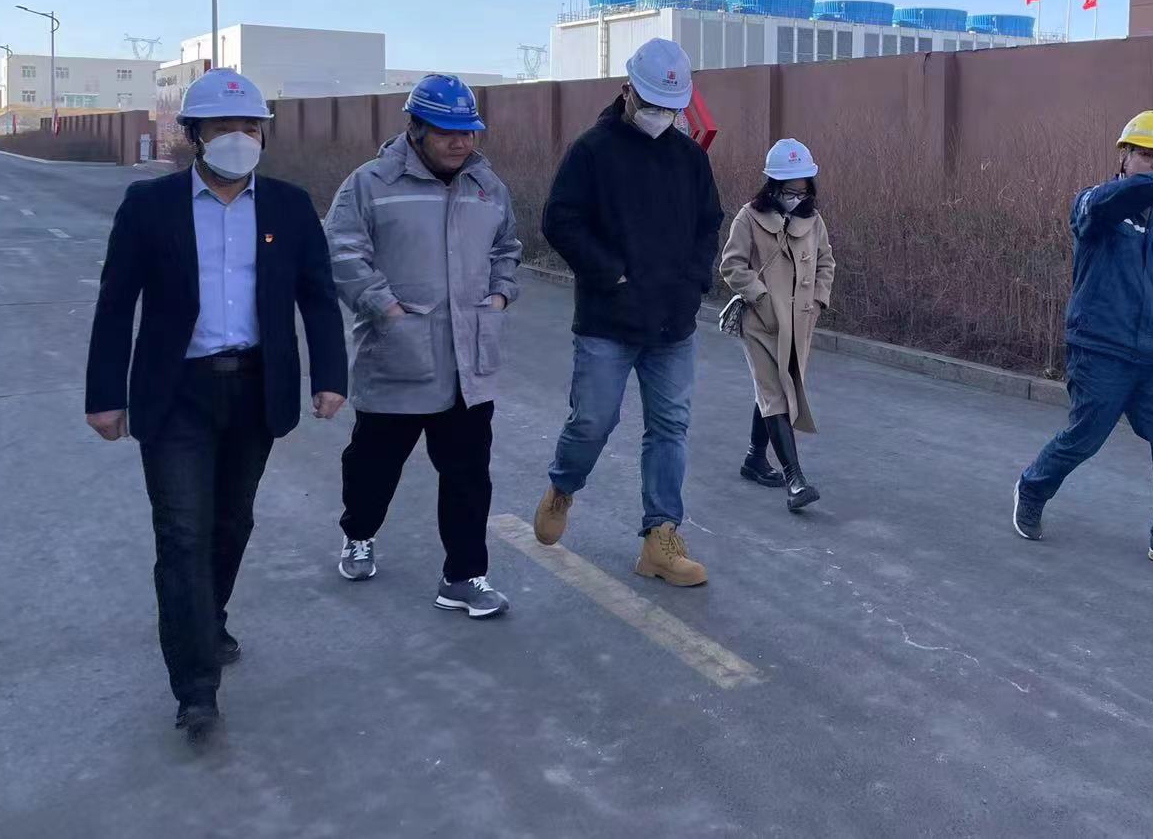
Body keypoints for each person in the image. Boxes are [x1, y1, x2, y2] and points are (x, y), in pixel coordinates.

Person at [84, 68, 348, 744]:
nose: (239, 136)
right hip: (176, 392)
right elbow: (116, 302)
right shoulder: (150, 207)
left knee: (231, 522)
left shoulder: (289, 206)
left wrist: (330, 375)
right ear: (194, 134)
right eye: (224, 125)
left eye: (250, 125)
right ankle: (196, 686)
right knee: (181, 534)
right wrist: (105, 394)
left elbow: (318, 296)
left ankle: (208, 617)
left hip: (255, 387)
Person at [326, 74, 522, 619]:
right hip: (398, 355)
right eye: (447, 132)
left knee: (468, 475)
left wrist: (500, 296)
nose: (461, 143)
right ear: (415, 129)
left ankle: (463, 576)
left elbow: (508, 247)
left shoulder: (487, 186)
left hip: (469, 363)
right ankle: (358, 533)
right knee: (373, 466)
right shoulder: (370, 184)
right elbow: (342, 252)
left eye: (469, 131)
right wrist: (385, 308)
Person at [532, 38, 723, 586]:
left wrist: (693, 281)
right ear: (627, 92)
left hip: (673, 323)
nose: (661, 115)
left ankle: (660, 538)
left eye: (670, 108)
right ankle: (563, 486)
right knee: (593, 420)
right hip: (608, 322)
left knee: (670, 427)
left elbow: (709, 222)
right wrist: (611, 273)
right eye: (653, 104)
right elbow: (560, 220)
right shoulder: (592, 151)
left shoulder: (689, 158)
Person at [1012, 110, 1153, 576]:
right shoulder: (1096, 206)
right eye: (1148, 155)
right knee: (1084, 438)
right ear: (1124, 156)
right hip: (1101, 350)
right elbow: (1113, 201)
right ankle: (1033, 487)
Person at [719, 138, 835, 512]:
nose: (796, 198)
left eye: (803, 191)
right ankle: (795, 480)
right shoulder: (748, 218)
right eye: (789, 191)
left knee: (775, 388)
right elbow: (731, 265)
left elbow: (826, 263)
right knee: (776, 393)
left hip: (800, 323)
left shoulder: (814, 221)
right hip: (761, 322)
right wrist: (761, 297)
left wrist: (818, 301)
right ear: (773, 186)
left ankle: (755, 458)